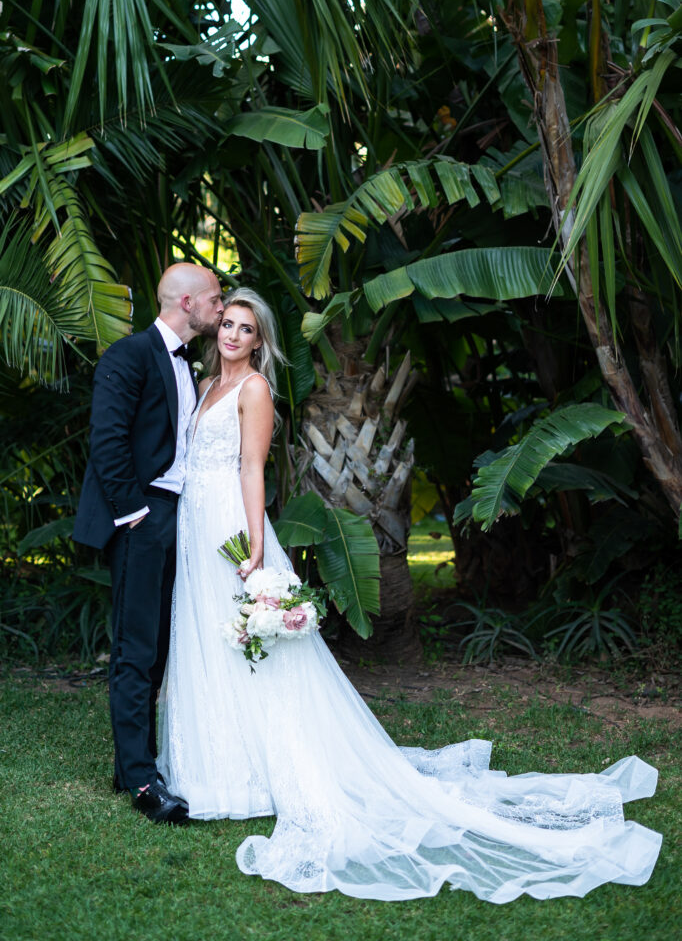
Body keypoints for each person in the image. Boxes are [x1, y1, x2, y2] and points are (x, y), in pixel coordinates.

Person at [157, 287, 662, 901]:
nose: (233, 335)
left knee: (252, 648)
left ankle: (261, 775)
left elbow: (251, 468)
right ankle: (219, 770)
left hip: (230, 527)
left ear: (260, 339)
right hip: (192, 523)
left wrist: (257, 543)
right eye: (227, 325)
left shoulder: (254, 390)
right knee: (209, 639)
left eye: (245, 328)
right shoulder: (207, 383)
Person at [74, 263, 224, 824]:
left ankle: (129, 762)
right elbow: (107, 441)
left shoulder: (189, 363)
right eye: (214, 296)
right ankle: (141, 781)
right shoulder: (129, 355)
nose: (220, 304)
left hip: (175, 517)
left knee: (159, 643)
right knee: (136, 649)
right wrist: (135, 514)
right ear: (186, 302)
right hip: (141, 516)